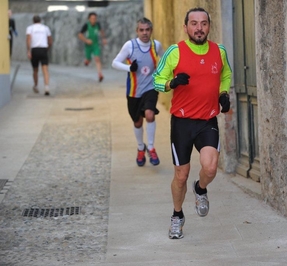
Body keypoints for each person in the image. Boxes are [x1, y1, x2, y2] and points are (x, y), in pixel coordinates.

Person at [153, 7, 232, 239]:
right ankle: (177, 216)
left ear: (209, 26)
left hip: (208, 120)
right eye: (194, 23)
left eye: (204, 23)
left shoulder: (219, 51)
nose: (199, 28)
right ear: (186, 27)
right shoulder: (175, 51)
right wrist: (172, 83)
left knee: (210, 167)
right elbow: (156, 80)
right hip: (182, 123)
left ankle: (200, 189)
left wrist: (223, 93)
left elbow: (225, 74)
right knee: (181, 174)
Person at [112, 18, 164, 167]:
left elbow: (166, 58)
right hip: (134, 91)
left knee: (149, 114)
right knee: (137, 122)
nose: (144, 33)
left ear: (151, 31)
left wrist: (163, 73)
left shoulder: (156, 46)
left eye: (147, 30)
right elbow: (115, 63)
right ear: (137, 31)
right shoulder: (130, 46)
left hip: (150, 88)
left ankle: (152, 147)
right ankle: (141, 148)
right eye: (141, 30)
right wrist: (129, 68)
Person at [26, 15, 52, 96]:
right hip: (43, 49)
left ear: (33, 21)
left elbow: (28, 39)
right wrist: (47, 48)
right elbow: (50, 40)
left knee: (35, 70)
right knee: (45, 70)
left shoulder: (30, 28)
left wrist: (29, 51)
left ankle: (36, 86)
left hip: (34, 50)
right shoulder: (46, 28)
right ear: (40, 21)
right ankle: (46, 87)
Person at [78, 12, 107, 82]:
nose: (94, 20)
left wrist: (103, 39)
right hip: (88, 46)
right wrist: (86, 40)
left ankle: (100, 74)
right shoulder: (86, 25)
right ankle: (87, 61)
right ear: (89, 19)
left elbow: (101, 31)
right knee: (88, 59)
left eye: (95, 18)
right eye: (92, 18)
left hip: (95, 44)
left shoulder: (98, 24)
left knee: (97, 58)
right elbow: (80, 35)